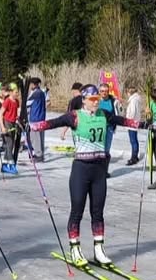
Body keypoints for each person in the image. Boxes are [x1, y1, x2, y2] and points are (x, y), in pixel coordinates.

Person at [31, 84, 138, 266]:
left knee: (98, 212)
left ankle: (98, 249)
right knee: (77, 211)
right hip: (81, 169)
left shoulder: (103, 115)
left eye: (97, 99)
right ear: (84, 101)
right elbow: (53, 123)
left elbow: (123, 121)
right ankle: (75, 249)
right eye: (92, 99)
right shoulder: (75, 116)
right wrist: (33, 125)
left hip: (99, 170)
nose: (95, 102)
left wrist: (148, 125)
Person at [26, 78, 47, 162]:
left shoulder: (36, 93)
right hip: (41, 117)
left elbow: (27, 103)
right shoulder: (42, 92)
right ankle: (40, 154)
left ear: (34, 84)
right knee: (40, 137)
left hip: (35, 118)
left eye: (31, 84)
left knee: (35, 138)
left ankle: (38, 155)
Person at [125, 86, 142, 165]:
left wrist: (128, 119)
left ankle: (134, 157)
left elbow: (132, 112)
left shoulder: (133, 100)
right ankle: (135, 156)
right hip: (135, 121)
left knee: (133, 140)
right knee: (135, 139)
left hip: (132, 122)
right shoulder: (136, 99)